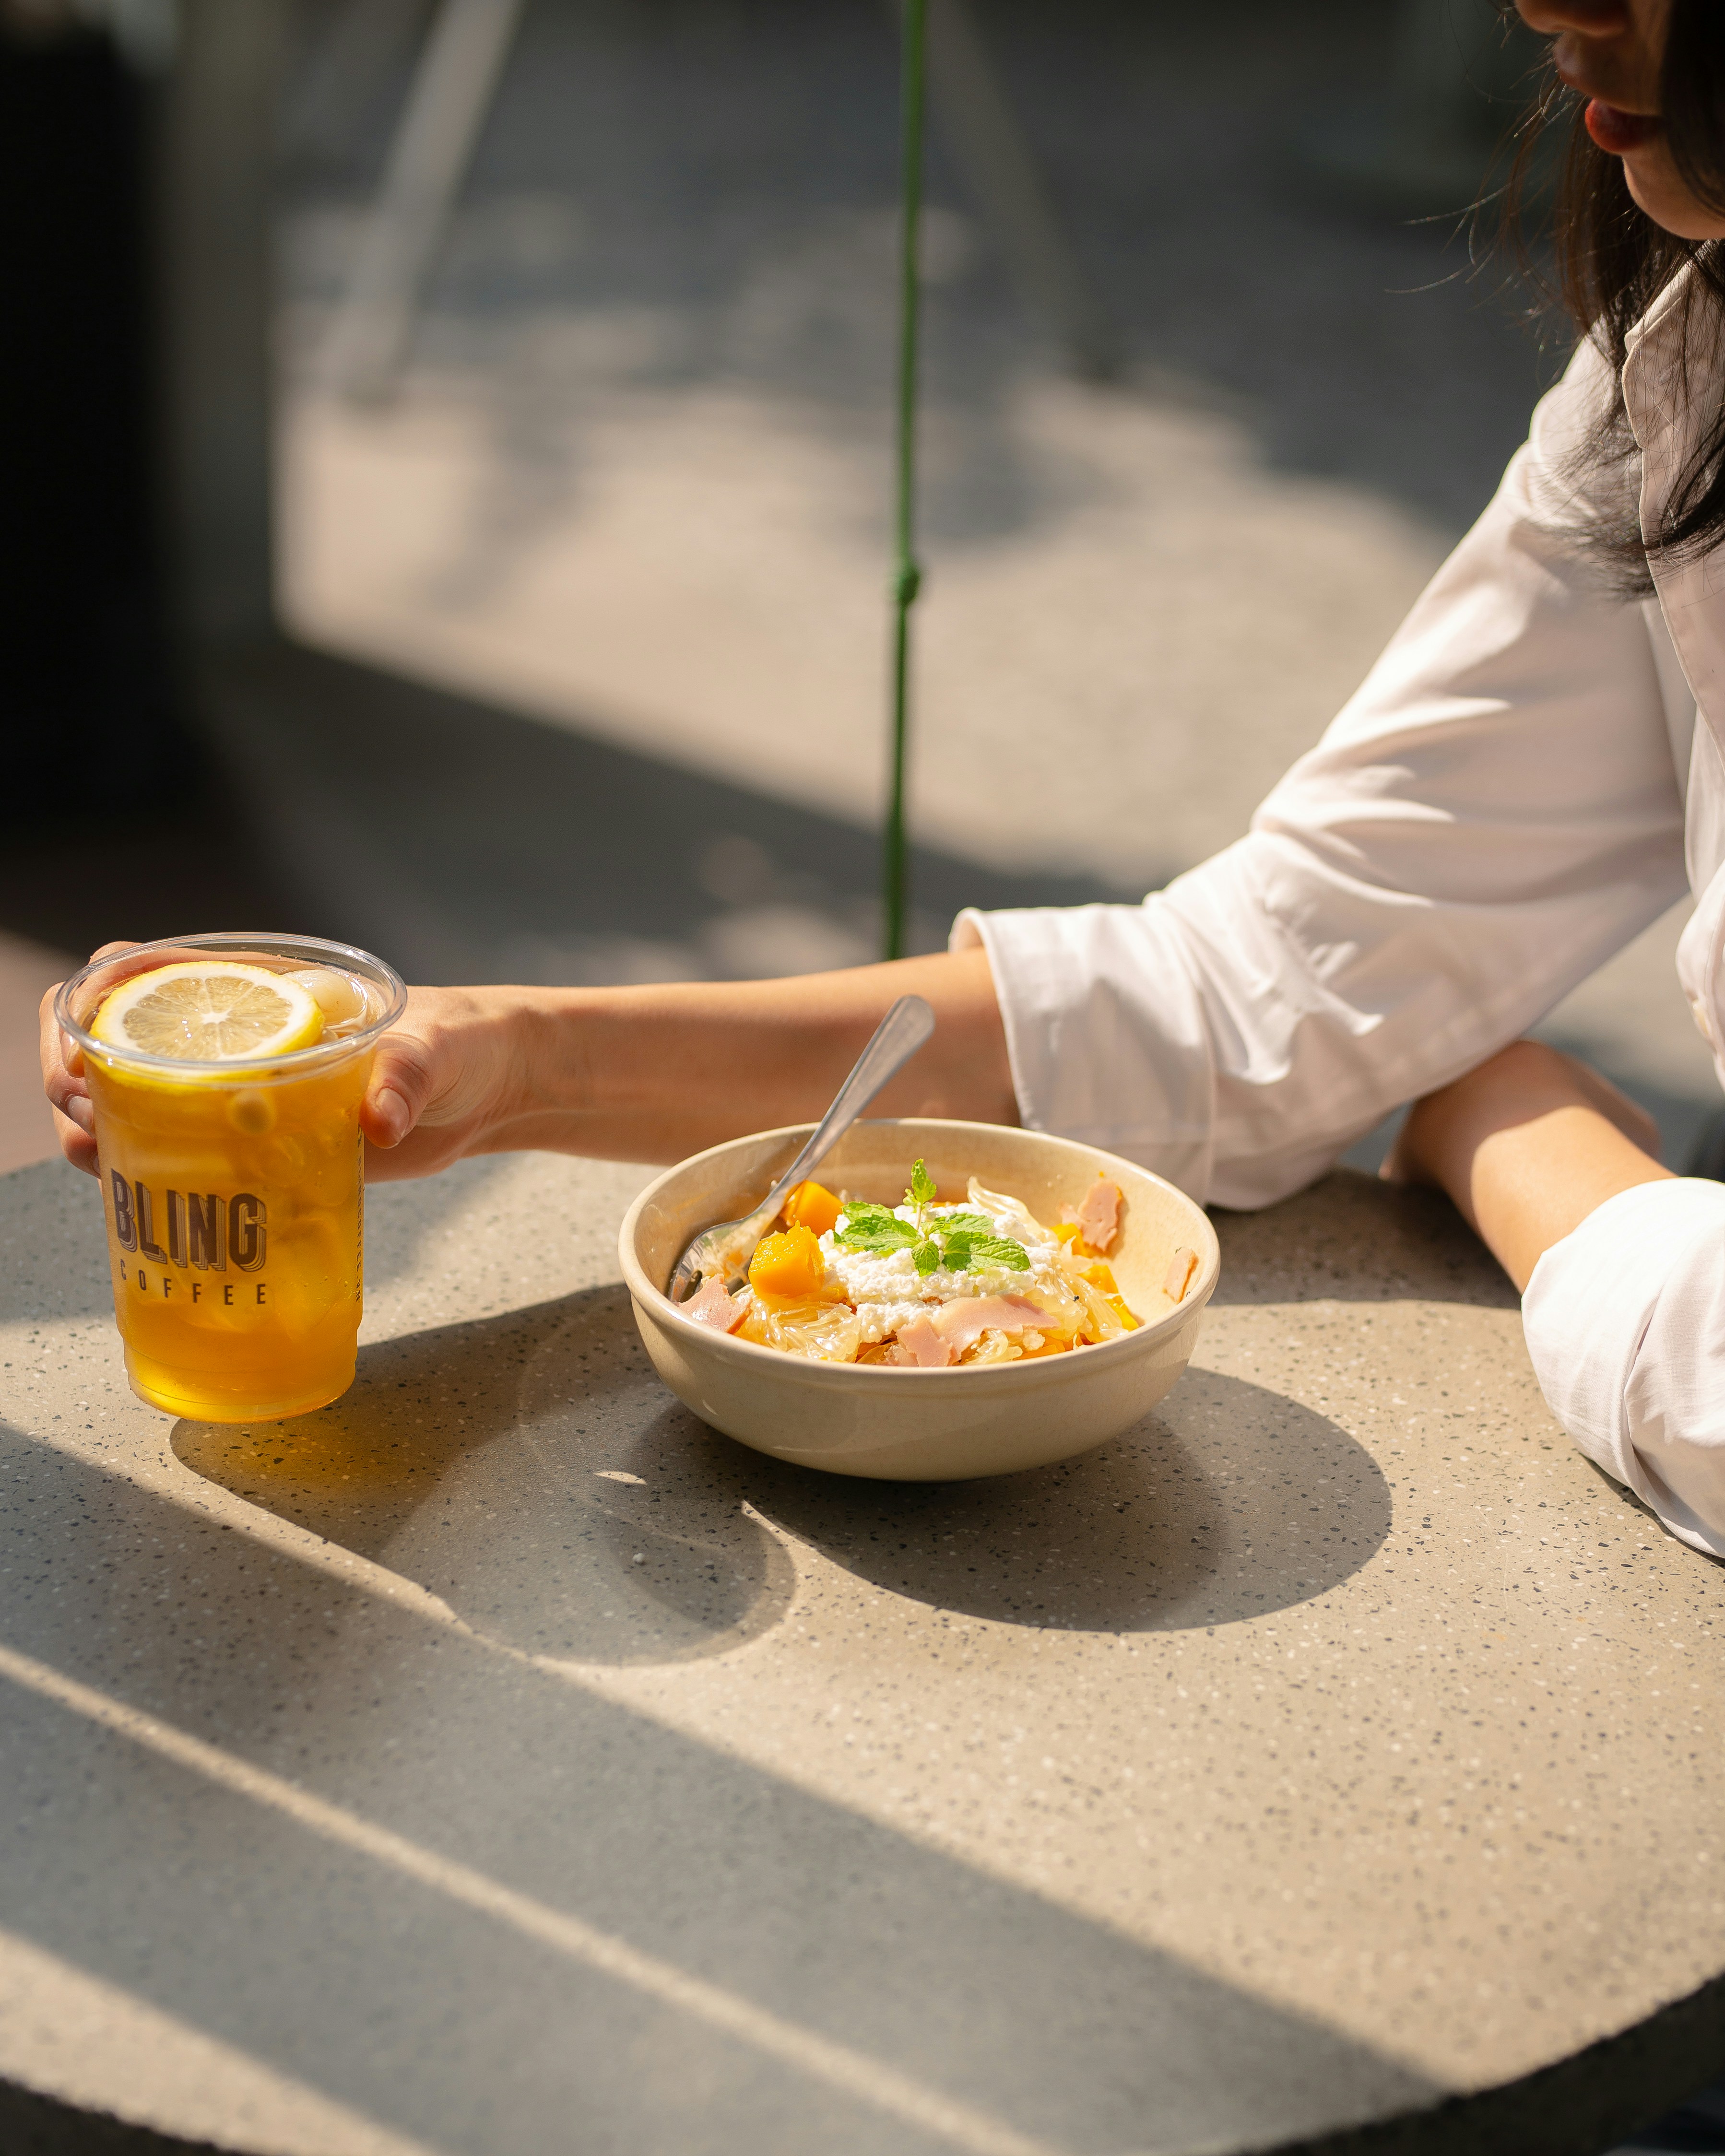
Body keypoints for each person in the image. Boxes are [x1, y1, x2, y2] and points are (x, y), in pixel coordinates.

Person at [39, 0, 1725, 1554]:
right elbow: (1268, 982)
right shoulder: (1684, 361)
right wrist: (501, 1059)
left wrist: (1521, 1134)